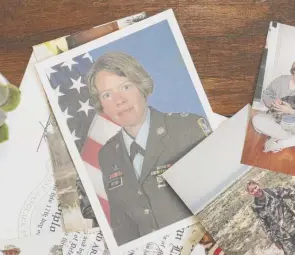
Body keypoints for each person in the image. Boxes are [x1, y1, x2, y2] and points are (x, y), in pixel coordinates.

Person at [87, 52, 212, 245]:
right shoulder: (107, 154)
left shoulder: (188, 128)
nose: (119, 100)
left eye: (125, 87)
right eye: (107, 95)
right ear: (101, 104)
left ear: (142, 87)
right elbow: (123, 228)